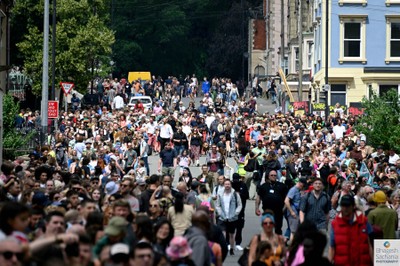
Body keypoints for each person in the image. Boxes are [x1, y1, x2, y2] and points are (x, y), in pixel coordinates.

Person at [329, 195, 373, 265]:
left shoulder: (363, 221)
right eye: (343, 205)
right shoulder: (335, 224)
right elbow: (332, 247)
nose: (345, 208)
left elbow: (370, 245)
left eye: (348, 205)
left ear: (353, 206)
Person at [215, 179, 242, 255]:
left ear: (231, 185)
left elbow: (239, 205)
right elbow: (217, 205)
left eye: (228, 184)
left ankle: (232, 249)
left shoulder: (235, 194)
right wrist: (220, 213)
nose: (227, 186)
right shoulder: (220, 194)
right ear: (224, 185)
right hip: (222, 217)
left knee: (232, 235)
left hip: (232, 217)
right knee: (223, 234)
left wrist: (236, 213)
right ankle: (223, 248)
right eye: (226, 184)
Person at [255, 170, 288, 235]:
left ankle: (278, 243)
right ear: (268, 176)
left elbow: (287, 199)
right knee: (266, 228)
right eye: (272, 175)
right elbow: (258, 197)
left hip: (278, 212)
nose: (273, 176)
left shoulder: (282, 186)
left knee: (278, 229)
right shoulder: (264, 186)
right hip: (267, 211)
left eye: (275, 175)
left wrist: (283, 209)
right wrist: (257, 208)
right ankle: (266, 243)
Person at [284, 178, 307, 244]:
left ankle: (287, 241)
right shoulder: (293, 190)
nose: (303, 187)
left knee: (294, 229)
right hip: (293, 212)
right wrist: (292, 212)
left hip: (296, 212)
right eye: (303, 185)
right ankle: (292, 246)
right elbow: (286, 201)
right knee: (293, 231)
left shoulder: (298, 190)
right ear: (300, 183)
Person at [231, 173, 249, 251]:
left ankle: (238, 243)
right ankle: (229, 243)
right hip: (231, 210)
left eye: (237, 179)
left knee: (239, 227)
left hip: (241, 210)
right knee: (230, 227)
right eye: (234, 179)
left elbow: (247, 196)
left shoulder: (243, 185)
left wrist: (240, 194)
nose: (235, 181)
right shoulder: (230, 185)